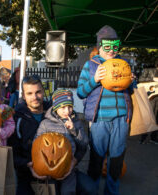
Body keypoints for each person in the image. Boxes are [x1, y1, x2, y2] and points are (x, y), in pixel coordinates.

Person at [77, 25, 136, 195]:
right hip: (100, 120)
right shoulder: (91, 65)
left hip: (121, 119)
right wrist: (95, 79)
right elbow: (81, 92)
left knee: (117, 160)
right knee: (96, 159)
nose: (111, 50)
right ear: (100, 46)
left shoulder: (124, 64)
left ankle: (112, 192)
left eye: (115, 46)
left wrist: (131, 82)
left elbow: (130, 91)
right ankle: (92, 190)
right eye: (107, 46)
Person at [34, 89, 89, 194]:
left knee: (68, 191)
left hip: (68, 166)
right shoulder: (45, 123)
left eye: (70, 107)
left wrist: (74, 131)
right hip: (48, 166)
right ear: (55, 107)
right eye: (63, 107)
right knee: (51, 191)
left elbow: (84, 143)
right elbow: (36, 143)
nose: (67, 111)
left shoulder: (76, 122)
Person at [7, 75, 51, 195]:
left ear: (43, 91)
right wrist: (28, 165)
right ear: (24, 96)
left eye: (38, 92)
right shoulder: (16, 118)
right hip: (26, 173)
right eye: (30, 93)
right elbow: (12, 153)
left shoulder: (55, 112)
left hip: (55, 171)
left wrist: (74, 160)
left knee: (88, 188)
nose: (35, 97)